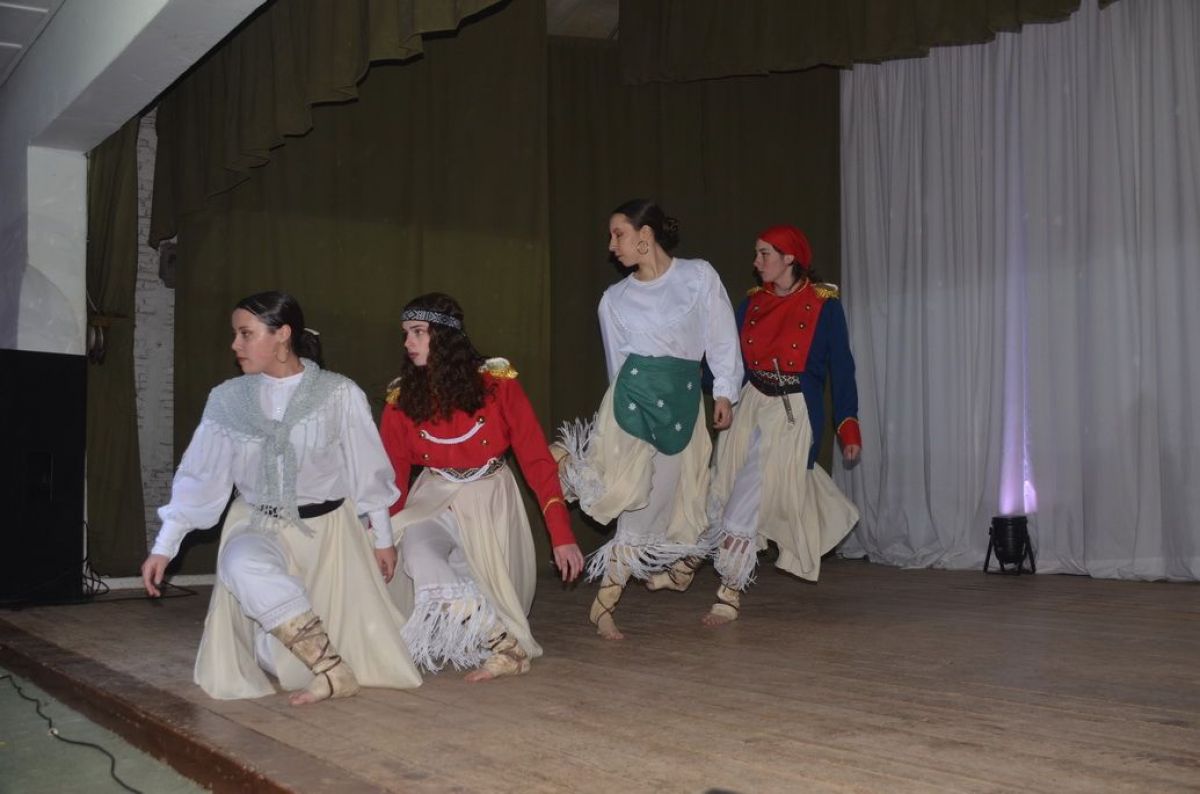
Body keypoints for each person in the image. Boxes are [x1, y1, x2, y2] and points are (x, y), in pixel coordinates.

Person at [140, 291, 421, 704]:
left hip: (328, 538)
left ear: (282, 334)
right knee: (240, 561)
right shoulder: (227, 399)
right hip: (258, 522)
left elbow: (367, 471)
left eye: (246, 334)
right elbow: (200, 476)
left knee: (293, 659)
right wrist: (165, 546)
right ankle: (330, 669)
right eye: (236, 335)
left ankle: (311, 654)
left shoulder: (338, 394)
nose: (236, 345)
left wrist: (381, 539)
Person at [556, 199, 743, 640]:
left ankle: (672, 568)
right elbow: (616, 364)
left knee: (673, 499)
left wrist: (724, 390)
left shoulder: (698, 277)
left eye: (618, 234)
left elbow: (720, 336)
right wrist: (618, 418)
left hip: (680, 407)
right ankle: (604, 604)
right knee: (629, 497)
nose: (611, 245)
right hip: (631, 405)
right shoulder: (615, 299)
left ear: (646, 236)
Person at [380, 293, 584, 682]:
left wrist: (561, 534)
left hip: (491, 500)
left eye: (418, 332)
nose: (408, 343)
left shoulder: (498, 386)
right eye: (406, 333)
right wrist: (384, 538)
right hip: (433, 500)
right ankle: (501, 641)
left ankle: (494, 631)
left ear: (445, 337)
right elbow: (392, 479)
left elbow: (538, 463)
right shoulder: (401, 400)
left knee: (484, 592)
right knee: (419, 555)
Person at [702, 225, 861, 626]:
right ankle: (695, 563)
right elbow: (728, 359)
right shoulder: (752, 303)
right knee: (726, 484)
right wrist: (713, 389)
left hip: (792, 414)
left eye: (764, 254)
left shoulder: (824, 304)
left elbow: (841, 369)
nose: (756, 263)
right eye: (757, 254)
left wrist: (848, 427)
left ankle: (729, 591)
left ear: (790, 258)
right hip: (752, 403)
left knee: (751, 490)